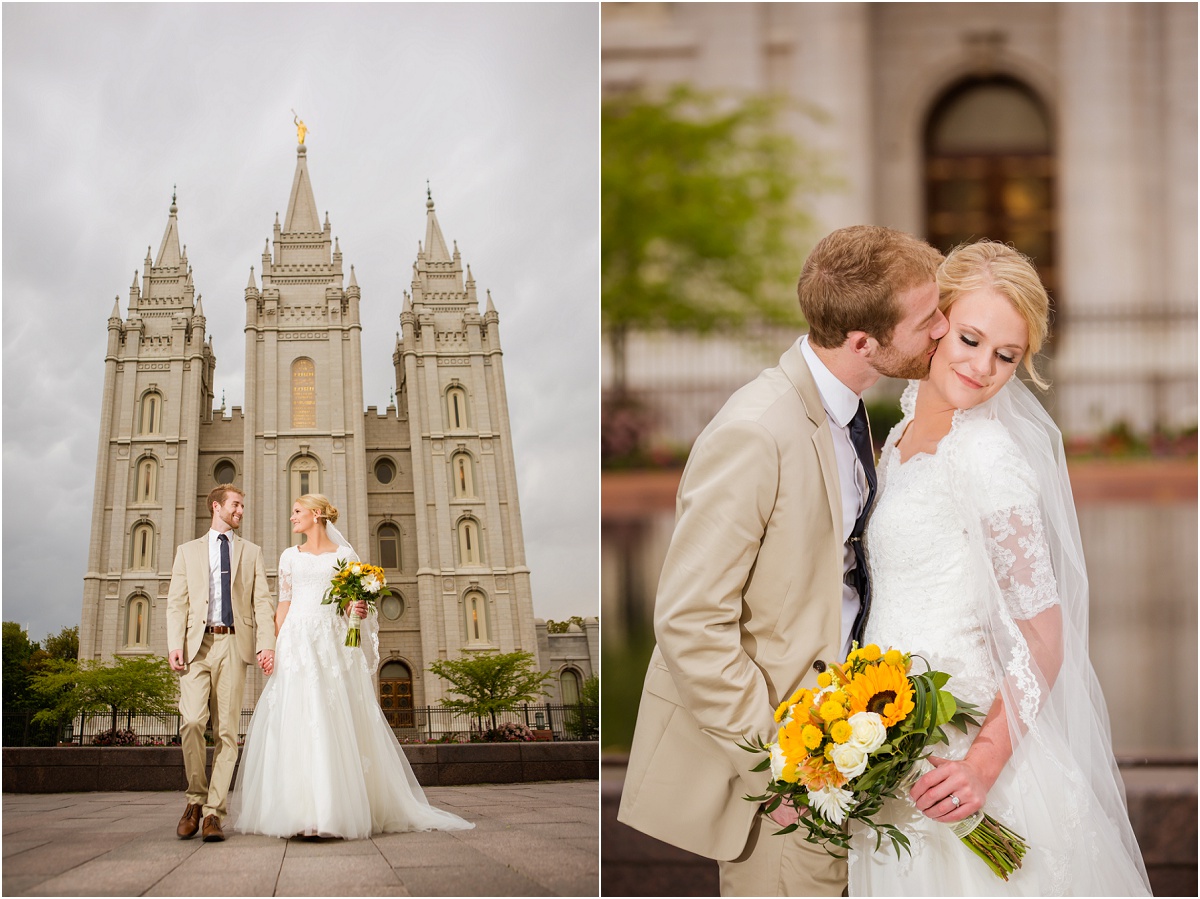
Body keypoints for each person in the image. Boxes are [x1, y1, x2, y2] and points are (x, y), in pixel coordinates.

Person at [618, 225, 948, 896]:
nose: (945, 328)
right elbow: (688, 622)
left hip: (854, 755)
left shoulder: (847, 411)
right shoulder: (754, 429)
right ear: (864, 341)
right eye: (929, 319)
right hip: (789, 785)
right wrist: (780, 768)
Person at [848, 241, 1151, 895]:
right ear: (936, 321)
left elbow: (1044, 636)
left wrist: (982, 762)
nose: (983, 365)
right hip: (893, 743)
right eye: (970, 337)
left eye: (1006, 355)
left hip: (967, 752)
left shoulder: (986, 454)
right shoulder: (901, 436)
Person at [230, 494, 473, 839]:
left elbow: (348, 604)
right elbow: (283, 604)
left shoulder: (345, 557)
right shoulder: (288, 557)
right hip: (297, 642)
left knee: (329, 719)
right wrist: (269, 645)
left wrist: (355, 610)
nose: (292, 518)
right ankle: (296, 812)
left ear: (315, 515)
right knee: (296, 719)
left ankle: (328, 813)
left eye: (296, 512)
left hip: (330, 642)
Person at [167, 483, 276, 842]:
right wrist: (174, 644)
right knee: (193, 722)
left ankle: (214, 812)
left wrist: (265, 644)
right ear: (216, 506)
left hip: (233, 642)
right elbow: (176, 602)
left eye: (242, 506)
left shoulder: (252, 552)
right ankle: (195, 799)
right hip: (197, 645)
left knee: (227, 733)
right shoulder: (187, 552)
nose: (241, 511)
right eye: (236, 505)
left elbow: (262, 602)